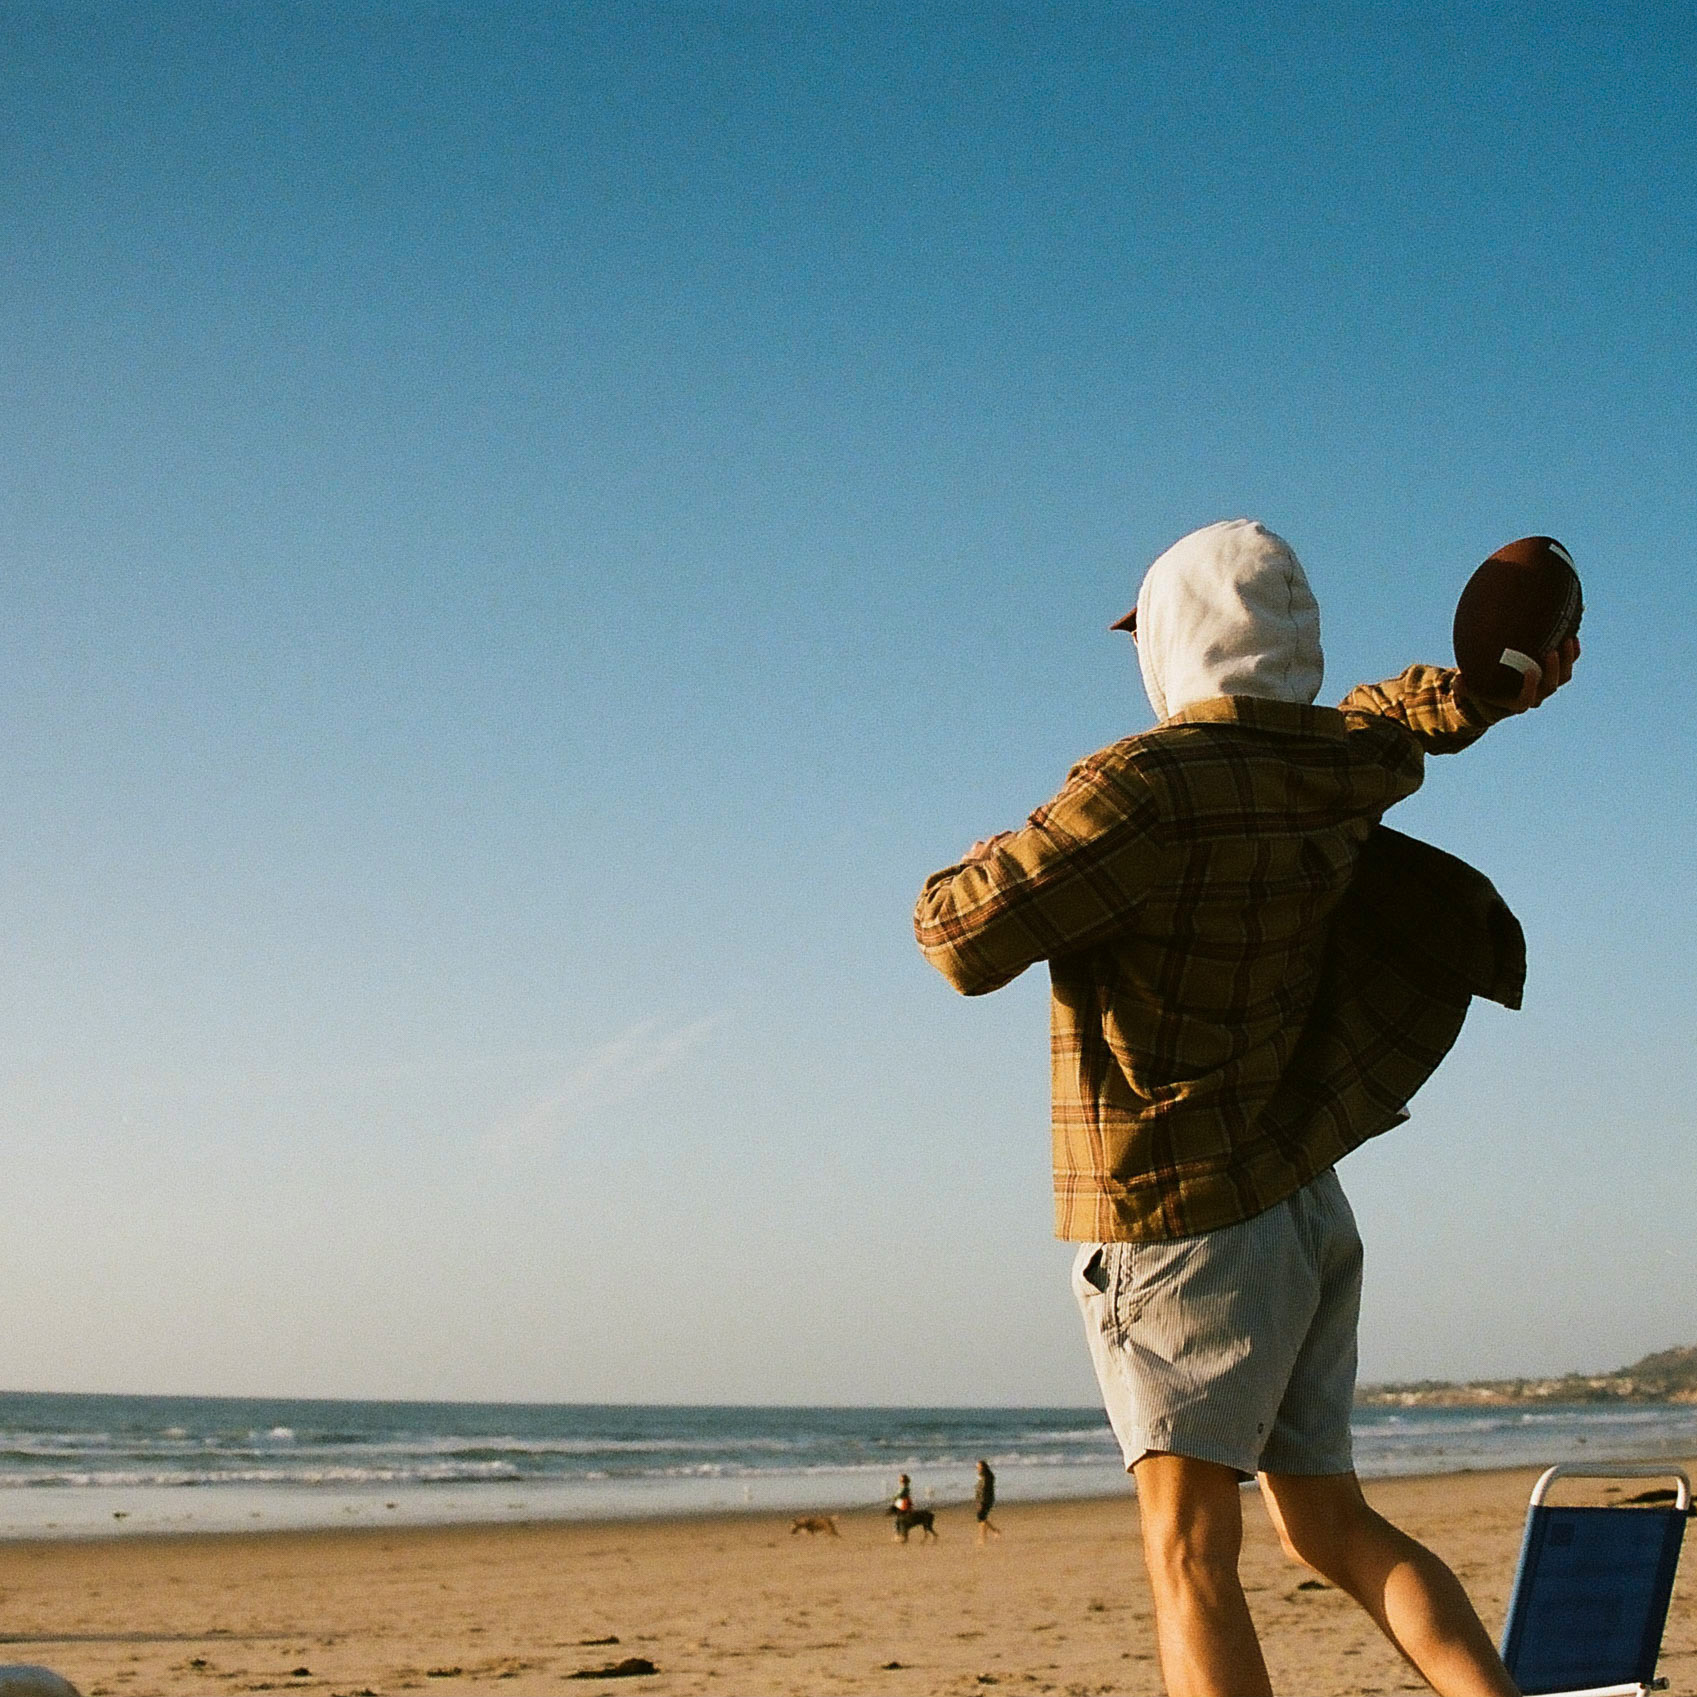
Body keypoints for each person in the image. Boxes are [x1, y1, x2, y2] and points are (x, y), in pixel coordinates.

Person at [913, 520, 1578, 1697]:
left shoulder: (1145, 785)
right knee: (1329, 1527)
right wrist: (1495, 686)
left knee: (1189, 1559)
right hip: (1301, 1207)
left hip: (1180, 1214)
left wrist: (960, 867)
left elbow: (963, 939)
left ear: (1170, 641)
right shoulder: (1340, 762)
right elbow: (1410, 710)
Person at [974, 1459, 1001, 1543]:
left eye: (979, 1467)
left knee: (981, 1518)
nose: (977, 1468)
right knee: (982, 1518)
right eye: (977, 1467)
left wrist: (980, 1502)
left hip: (985, 1499)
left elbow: (984, 1490)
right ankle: (994, 1531)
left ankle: (984, 1537)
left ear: (983, 1467)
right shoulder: (985, 1476)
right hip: (985, 1499)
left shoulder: (986, 1477)